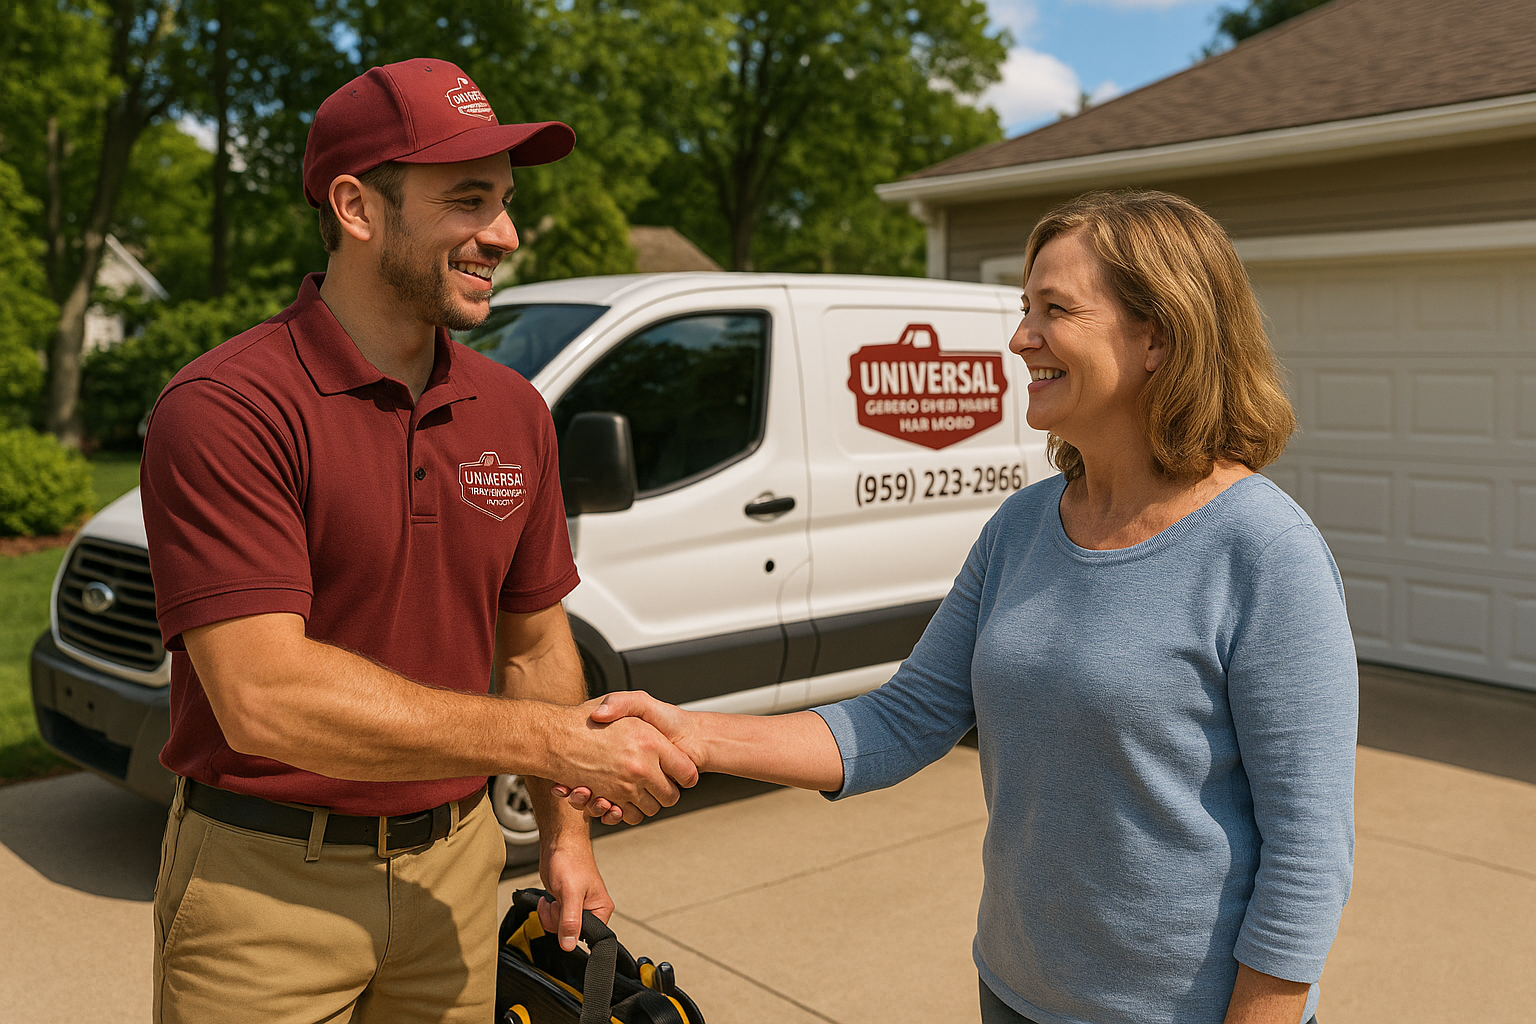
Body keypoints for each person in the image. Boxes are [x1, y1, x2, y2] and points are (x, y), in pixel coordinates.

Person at [561, 191, 1358, 1024]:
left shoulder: (1265, 551)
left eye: (1055, 310)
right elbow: (904, 721)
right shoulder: (1023, 526)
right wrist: (695, 733)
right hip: (1013, 991)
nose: (1020, 337)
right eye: (1024, 309)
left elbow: (1308, 858)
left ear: (1159, 335)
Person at [140, 58, 697, 1024]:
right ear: (357, 207)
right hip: (265, 889)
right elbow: (263, 698)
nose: (505, 235)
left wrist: (566, 837)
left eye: (507, 202)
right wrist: (555, 742)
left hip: (457, 869)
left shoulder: (515, 410)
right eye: (468, 200)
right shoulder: (225, 407)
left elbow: (531, 645)